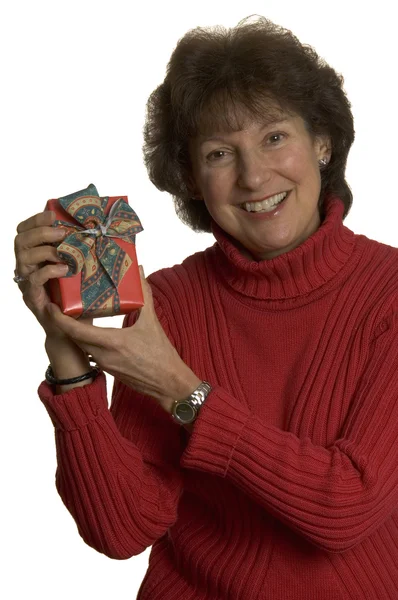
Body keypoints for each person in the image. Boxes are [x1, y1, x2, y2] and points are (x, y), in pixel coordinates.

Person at [13, 16, 398, 600]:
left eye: (274, 137)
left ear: (321, 142)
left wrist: (177, 387)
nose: (253, 176)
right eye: (220, 153)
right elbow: (122, 531)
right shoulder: (167, 303)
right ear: (192, 179)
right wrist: (67, 352)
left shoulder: (389, 292)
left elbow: (344, 508)